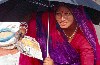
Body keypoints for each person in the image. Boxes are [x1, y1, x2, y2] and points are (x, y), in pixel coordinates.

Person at [19, 3, 99, 65]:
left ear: (76, 15)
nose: (62, 18)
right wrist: (23, 27)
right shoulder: (51, 23)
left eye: (67, 14)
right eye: (58, 14)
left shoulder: (83, 42)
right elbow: (33, 17)